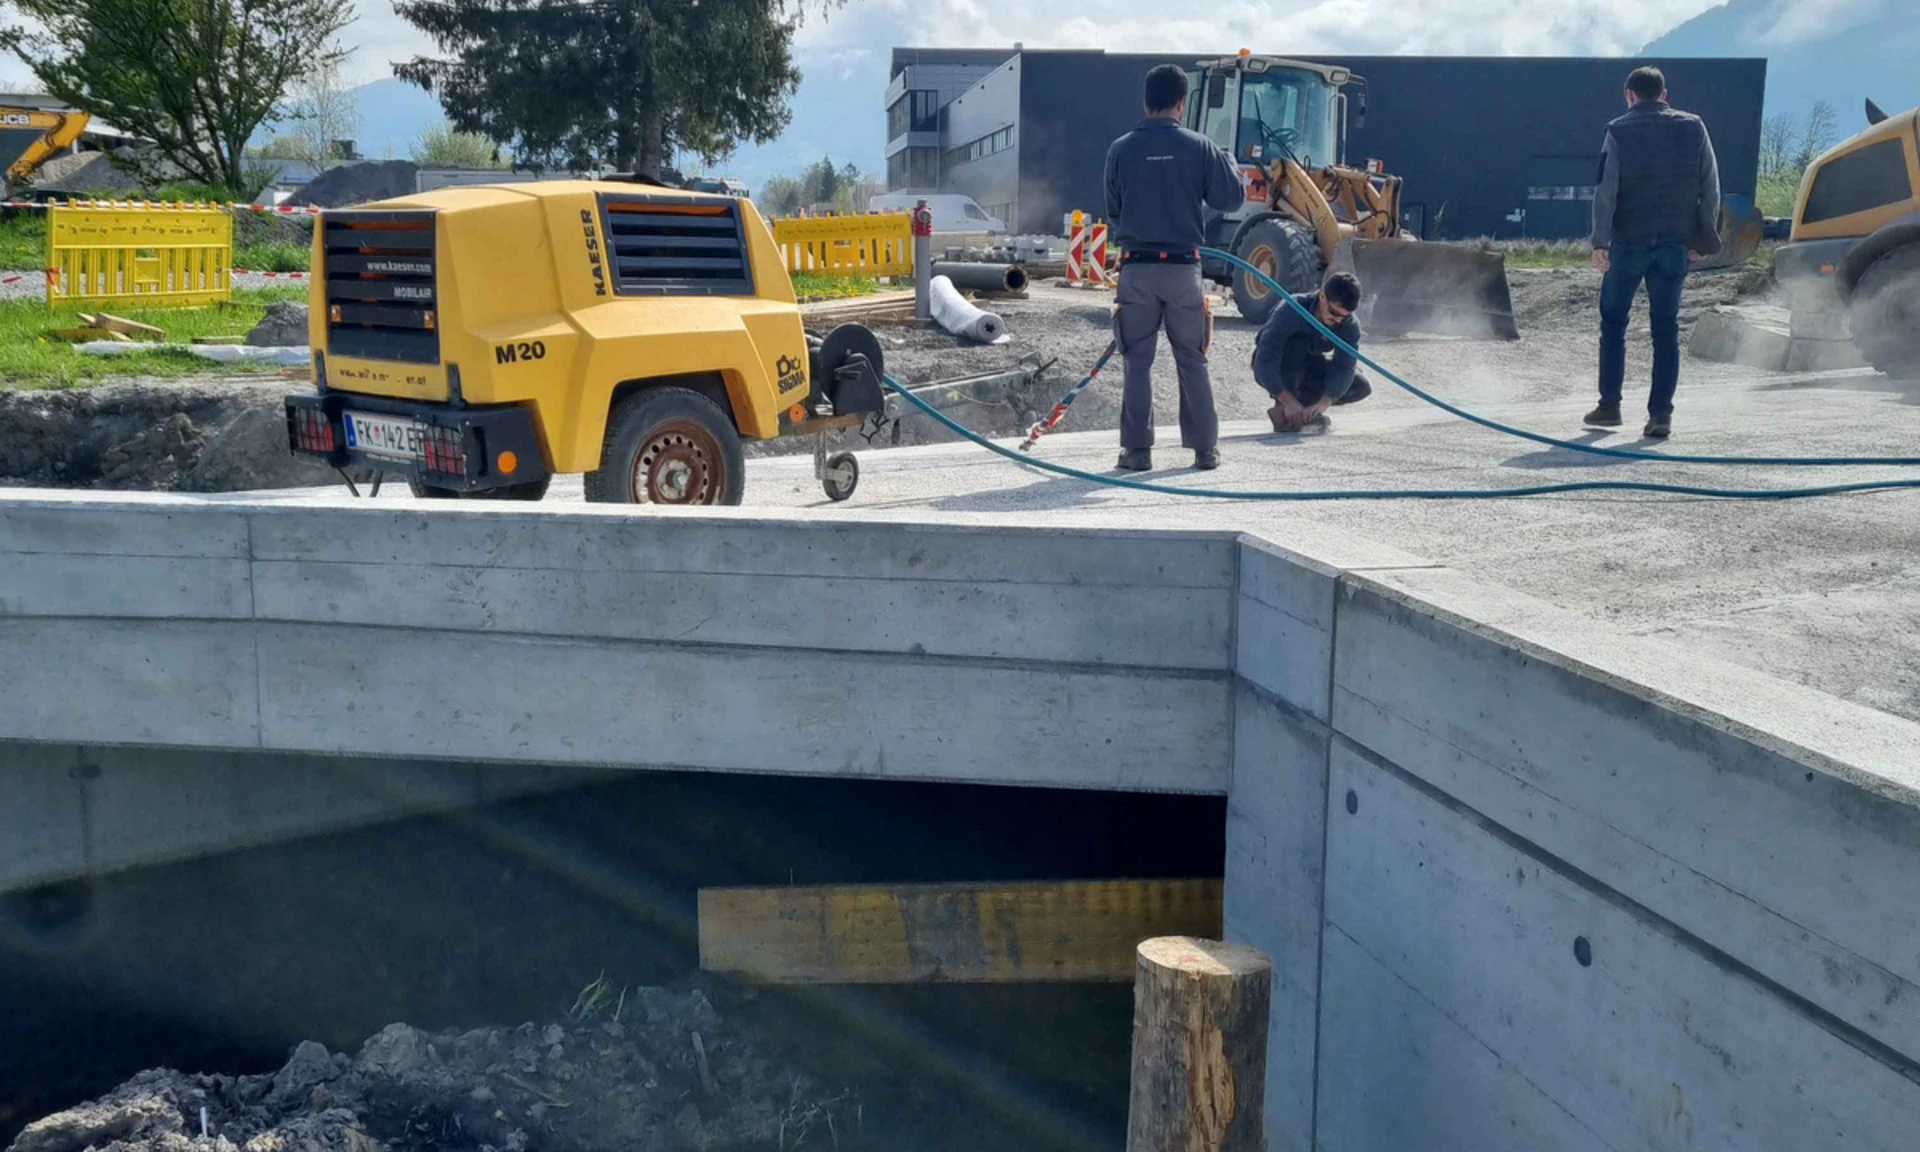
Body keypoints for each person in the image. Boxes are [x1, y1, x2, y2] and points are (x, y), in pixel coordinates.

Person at [1104, 64, 1246, 471]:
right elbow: (1231, 199)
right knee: (1192, 357)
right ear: (1182, 102)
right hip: (1184, 270)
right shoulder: (1200, 147)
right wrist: (1228, 164)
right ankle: (1205, 450)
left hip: (1137, 271)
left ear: (1145, 101)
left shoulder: (1120, 149)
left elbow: (1114, 210)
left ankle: (1137, 451)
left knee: (1137, 361)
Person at [1589, 65, 1721, 439]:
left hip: (1628, 243)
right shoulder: (1694, 126)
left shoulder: (1617, 130)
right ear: (1664, 94)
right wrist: (1704, 238)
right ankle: (1660, 415)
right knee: (1666, 329)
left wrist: (1600, 242)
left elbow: (1605, 190)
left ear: (1630, 95)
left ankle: (1609, 407)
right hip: (1674, 244)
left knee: (1613, 323)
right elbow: (1709, 186)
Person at [1251, 272, 1372, 432]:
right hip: (1278, 366)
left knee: (1359, 386)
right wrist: (1286, 399)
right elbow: (1265, 358)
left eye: (1344, 317)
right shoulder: (1291, 309)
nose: (1338, 321)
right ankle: (1285, 409)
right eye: (1334, 313)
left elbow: (1345, 367)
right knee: (1298, 344)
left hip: (1310, 367)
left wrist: (1324, 402)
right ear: (1322, 297)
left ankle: (1305, 411)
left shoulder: (1349, 325)